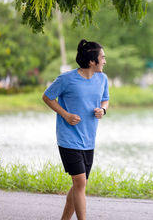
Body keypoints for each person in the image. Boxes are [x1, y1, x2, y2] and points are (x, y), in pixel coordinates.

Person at [42, 39, 109, 220]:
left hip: (89, 139)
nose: (104, 61)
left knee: (80, 184)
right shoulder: (66, 79)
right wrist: (65, 115)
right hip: (68, 138)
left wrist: (103, 109)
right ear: (91, 62)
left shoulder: (102, 79)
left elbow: (105, 99)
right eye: (102, 58)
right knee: (80, 183)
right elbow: (47, 97)